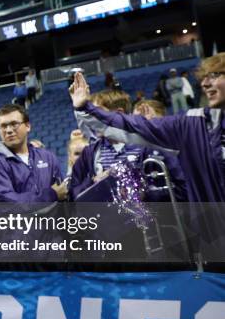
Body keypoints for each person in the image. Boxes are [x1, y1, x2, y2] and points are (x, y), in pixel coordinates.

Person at [69, 54, 225, 257]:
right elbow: (135, 126)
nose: (205, 83)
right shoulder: (194, 125)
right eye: (204, 77)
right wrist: (85, 107)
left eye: (214, 75)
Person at [0, 104, 67, 204]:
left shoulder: (47, 156)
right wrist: (51, 195)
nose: (8, 130)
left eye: (14, 124)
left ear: (28, 126)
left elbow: (61, 192)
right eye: (3, 126)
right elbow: (6, 204)